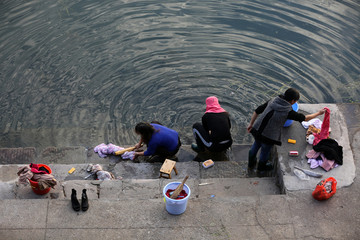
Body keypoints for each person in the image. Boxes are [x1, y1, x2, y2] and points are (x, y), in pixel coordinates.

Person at [247, 88, 326, 171]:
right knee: (264, 151)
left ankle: (251, 164)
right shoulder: (287, 111)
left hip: (257, 130)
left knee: (255, 145)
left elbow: (257, 111)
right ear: (292, 101)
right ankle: (261, 168)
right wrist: (319, 113)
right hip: (268, 136)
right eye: (295, 101)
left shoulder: (273, 100)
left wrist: (251, 124)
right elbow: (305, 118)